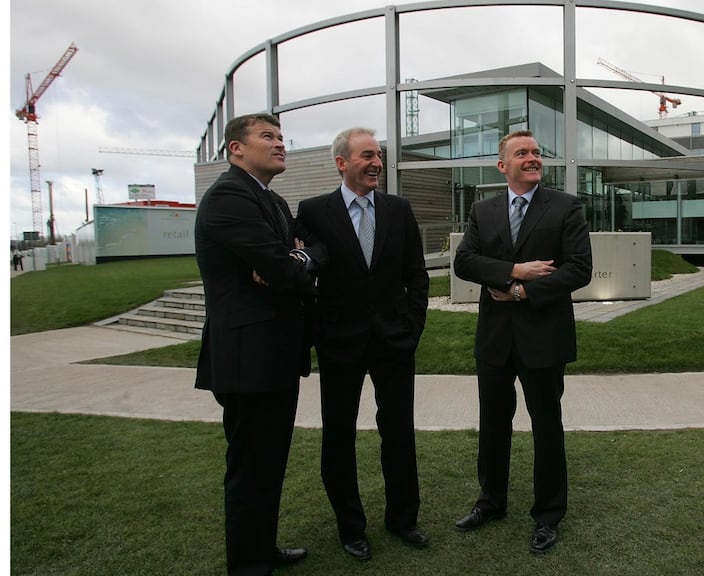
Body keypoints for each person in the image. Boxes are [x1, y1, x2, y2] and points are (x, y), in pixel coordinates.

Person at [194, 112, 324, 576]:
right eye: (267, 137)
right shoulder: (230, 196)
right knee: (251, 470)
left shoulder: (270, 199)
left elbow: (307, 255)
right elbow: (286, 269)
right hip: (249, 359)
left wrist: (295, 258)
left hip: (275, 356)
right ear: (236, 149)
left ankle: (261, 551)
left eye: (282, 137)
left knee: (268, 466)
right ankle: (248, 566)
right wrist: (289, 264)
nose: (280, 144)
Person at [453, 129, 593, 554]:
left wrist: (522, 291)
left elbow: (579, 269)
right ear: (503, 166)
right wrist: (516, 271)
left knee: (546, 426)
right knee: (493, 426)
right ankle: (490, 502)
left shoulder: (565, 207)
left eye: (535, 152)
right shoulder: (484, 210)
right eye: (521, 153)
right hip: (495, 341)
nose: (532, 158)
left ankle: (548, 515)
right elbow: (464, 261)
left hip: (544, 339)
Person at [296, 127, 430, 561]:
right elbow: (304, 274)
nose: (377, 163)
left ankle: (403, 519)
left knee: (399, 433)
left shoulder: (399, 209)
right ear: (342, 163)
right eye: (368, 156)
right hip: (339, 344)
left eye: (379, 156)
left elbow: (417, 275)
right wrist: (319, 330)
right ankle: (351, 527)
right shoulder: (313, 211)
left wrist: (412, 329)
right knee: (338, 437)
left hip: (394, 342)